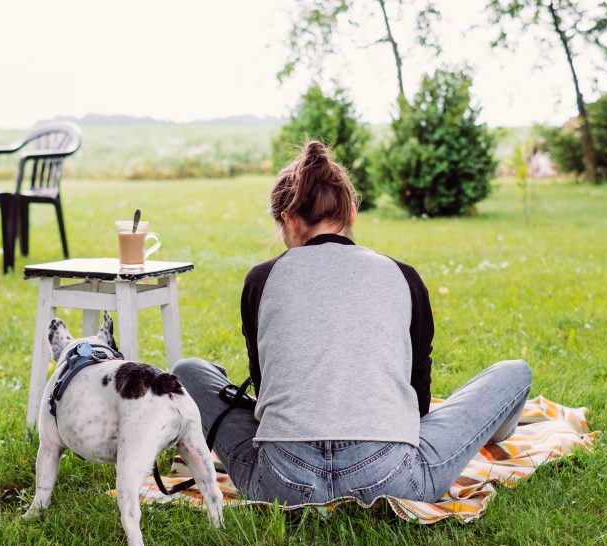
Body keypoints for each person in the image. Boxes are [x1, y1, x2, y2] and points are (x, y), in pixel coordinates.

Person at [172, 140, 531, 506]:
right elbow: (419, 400)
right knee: (514, 373)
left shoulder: (261, 279)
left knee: (187, 371)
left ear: (289, 220)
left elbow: (267, 389)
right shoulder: (403, 276)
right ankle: (496, 430)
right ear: (352, 212)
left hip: (281, 484)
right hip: (392, 478)